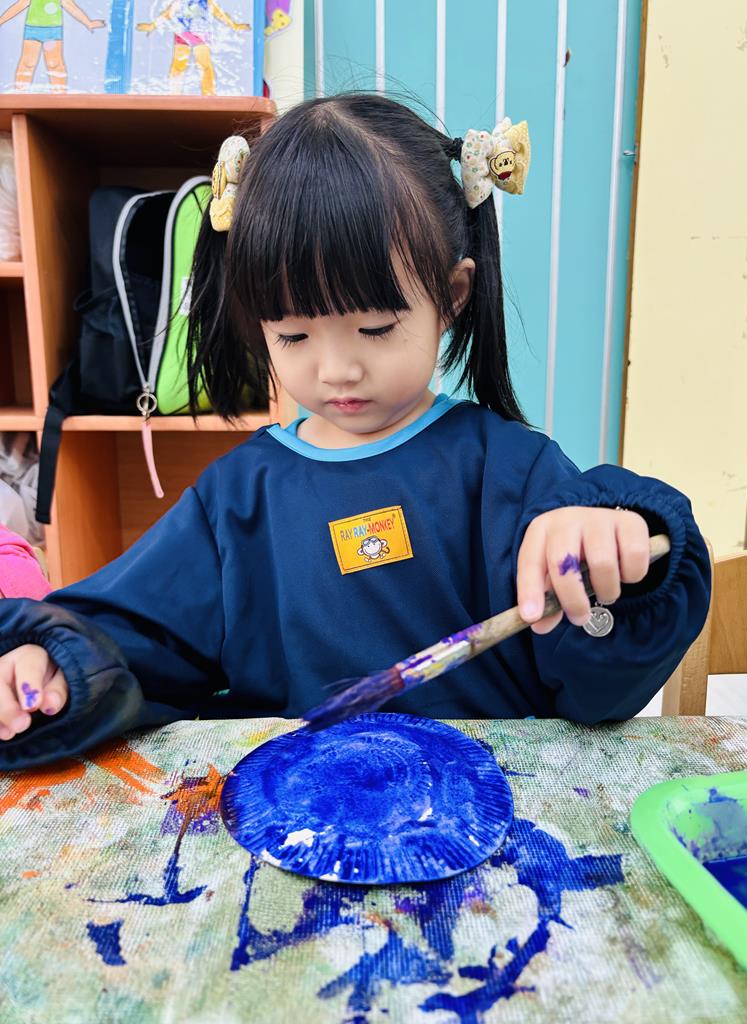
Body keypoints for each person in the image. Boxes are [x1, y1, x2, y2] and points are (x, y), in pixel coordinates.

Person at [0, 94, 710, 769]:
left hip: (495, 817)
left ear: (452, 295)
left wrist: (618, 558)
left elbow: (599, 693)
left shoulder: (511, 474)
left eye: (374, 328)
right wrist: (57, 665)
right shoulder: (239, 500)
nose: (336, 369)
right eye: (292, 334)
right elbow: (140, 635)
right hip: (296, 821)